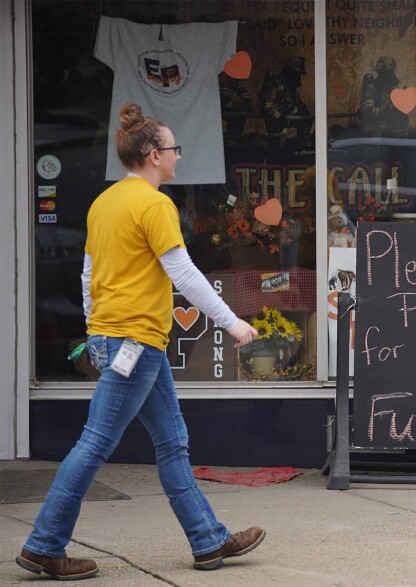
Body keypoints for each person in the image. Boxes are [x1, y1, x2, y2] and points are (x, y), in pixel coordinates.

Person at [16, 103, 265, 581]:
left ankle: (208, 541)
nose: (178, 156)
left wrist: (94, 331)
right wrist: (232, 322)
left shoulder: (103, 202)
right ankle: (44, 545)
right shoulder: (155, 204)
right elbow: (183, 273)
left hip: (120, 338)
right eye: (173, 148)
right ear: (152, 154)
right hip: (137, 341)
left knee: (172, 443)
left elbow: (88, 274)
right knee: (94, 444)